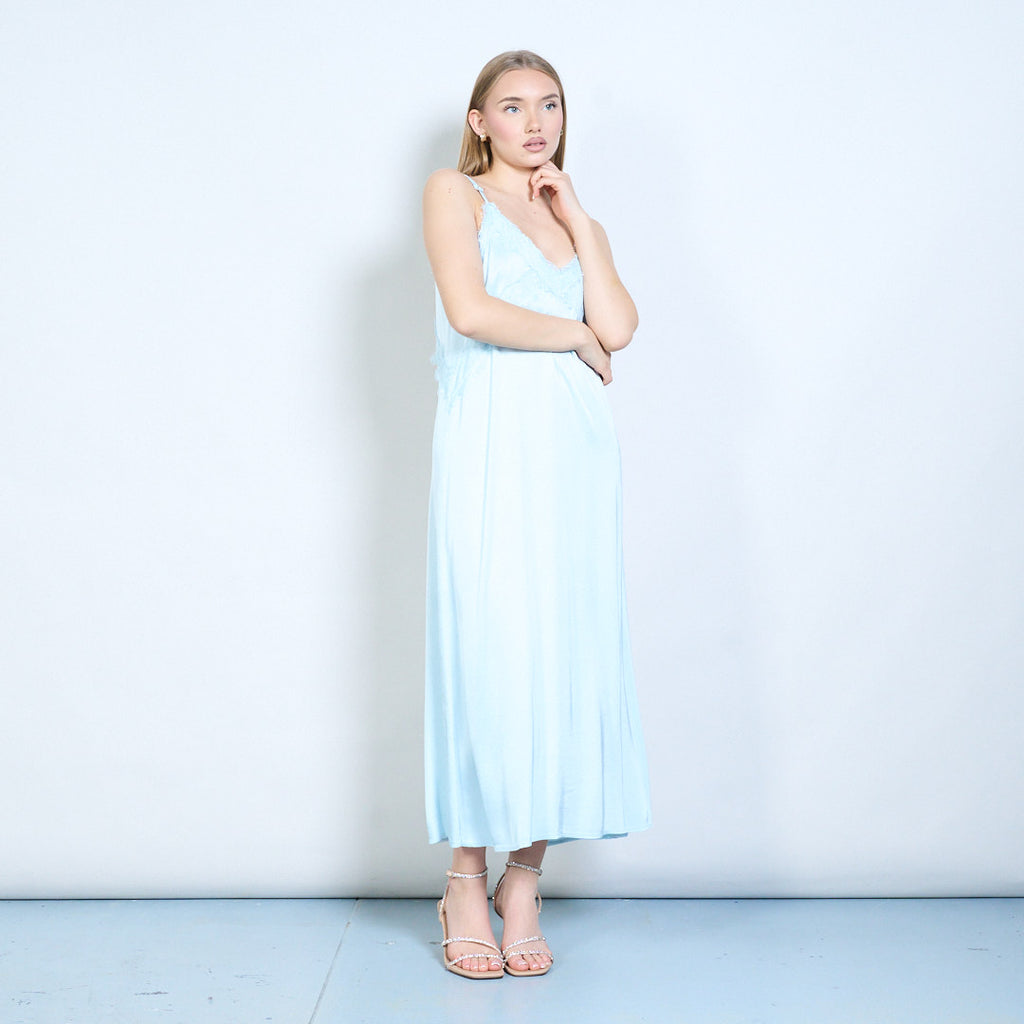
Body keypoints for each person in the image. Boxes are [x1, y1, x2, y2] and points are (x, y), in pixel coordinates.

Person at [422, 50, 651, 979]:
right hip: (489, 445)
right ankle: (463, 881)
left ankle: (524, 881)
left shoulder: (570, 216)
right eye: (512, 106)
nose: (534, 122)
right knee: (491, 651)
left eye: (549, 105)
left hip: (573, 454)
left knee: (563, 653)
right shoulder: (456, 193)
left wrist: (580, 221)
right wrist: (573, 335)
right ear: (479, 121)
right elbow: (471, 312)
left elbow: (622, 326)